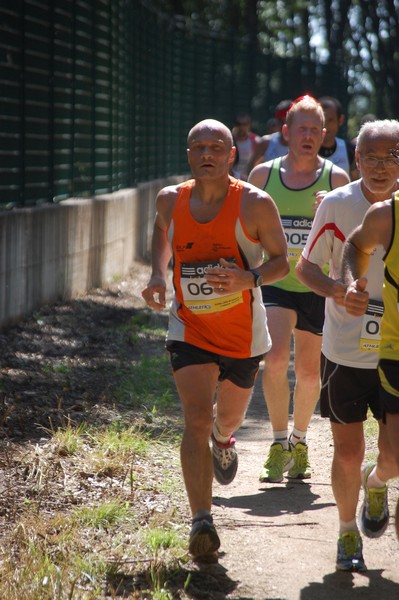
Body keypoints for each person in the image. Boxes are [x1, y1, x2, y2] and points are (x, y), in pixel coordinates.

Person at [141, 118, 289, 562]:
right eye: (198, 146)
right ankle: (201, 520)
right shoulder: (170, 200)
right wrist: (155, 274)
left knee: (225, 420)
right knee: (195, 417)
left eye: (216, 147)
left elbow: (283, 261)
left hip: (243, 333)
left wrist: (249, 277)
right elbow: (160, 235)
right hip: (190, 327)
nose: (207, 153)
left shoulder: (256, 204)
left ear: (231, 154)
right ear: (188, 155)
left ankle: (226, 442)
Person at [295, 120, 399, 571]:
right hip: (345, 348)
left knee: (392, 454)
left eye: (390, 157)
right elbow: (305, 269)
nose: (380, 167)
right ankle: (345, 533)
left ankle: (377, 484)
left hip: (394, 351)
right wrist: (338, 290)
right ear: (356, 160)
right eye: (371, 158)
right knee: (349, 448)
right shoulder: (337, 204)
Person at [248, 95, 350, 485]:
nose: (307, 136)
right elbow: (248, 233)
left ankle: (301, 441)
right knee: (274, 360)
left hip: (317, 287)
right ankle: (277, 444)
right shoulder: (262, 176)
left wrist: (334, 208)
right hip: (276, 281)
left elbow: (353, 239)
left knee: (309, 373)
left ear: (325, 135)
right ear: (285, 132)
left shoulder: (337, 180)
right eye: (300, 128)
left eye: (315, 130)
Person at [342, 153, 399, 545]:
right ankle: (375, 479)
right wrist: (351, 282)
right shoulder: (387, 215)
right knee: (394, 459)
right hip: (395, 351)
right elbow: (355, 245)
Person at [246, 99, 292, 175]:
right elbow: (250, 167)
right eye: (281, 121)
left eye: (287, 121)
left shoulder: (301, 144)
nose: (284, 125)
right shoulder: (266, 142)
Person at [318, 96, 357, 180]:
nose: (325, 125)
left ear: (340, 120)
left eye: (330, 120)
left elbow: (356, 183)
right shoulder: (305, 150)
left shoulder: (350, 151)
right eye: (321, 120)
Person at [231, 113, 258, 180]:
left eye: (245, 124)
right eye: (238, 124)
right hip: (232, 178)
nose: (241, 127)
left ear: (249, 125)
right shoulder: (230, 140)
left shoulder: (256, 141)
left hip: (249, 179)